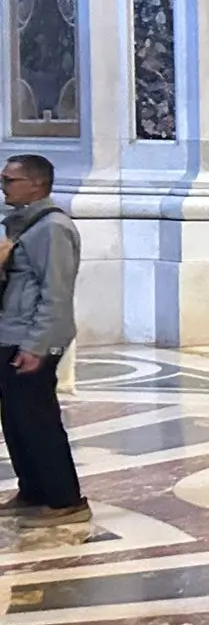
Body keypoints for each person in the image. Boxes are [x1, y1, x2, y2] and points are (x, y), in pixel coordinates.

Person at [0, 155, 86, 526]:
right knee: (16, 420)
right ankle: (33, 489)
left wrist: (38, 346)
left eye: (9, 179)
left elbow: (56, 293)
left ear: (36, 184)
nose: (3, 185)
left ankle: (65, 498)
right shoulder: (22, 225)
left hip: (29, 339)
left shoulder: (51, 228)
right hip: (10, 332)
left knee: (38, 420)